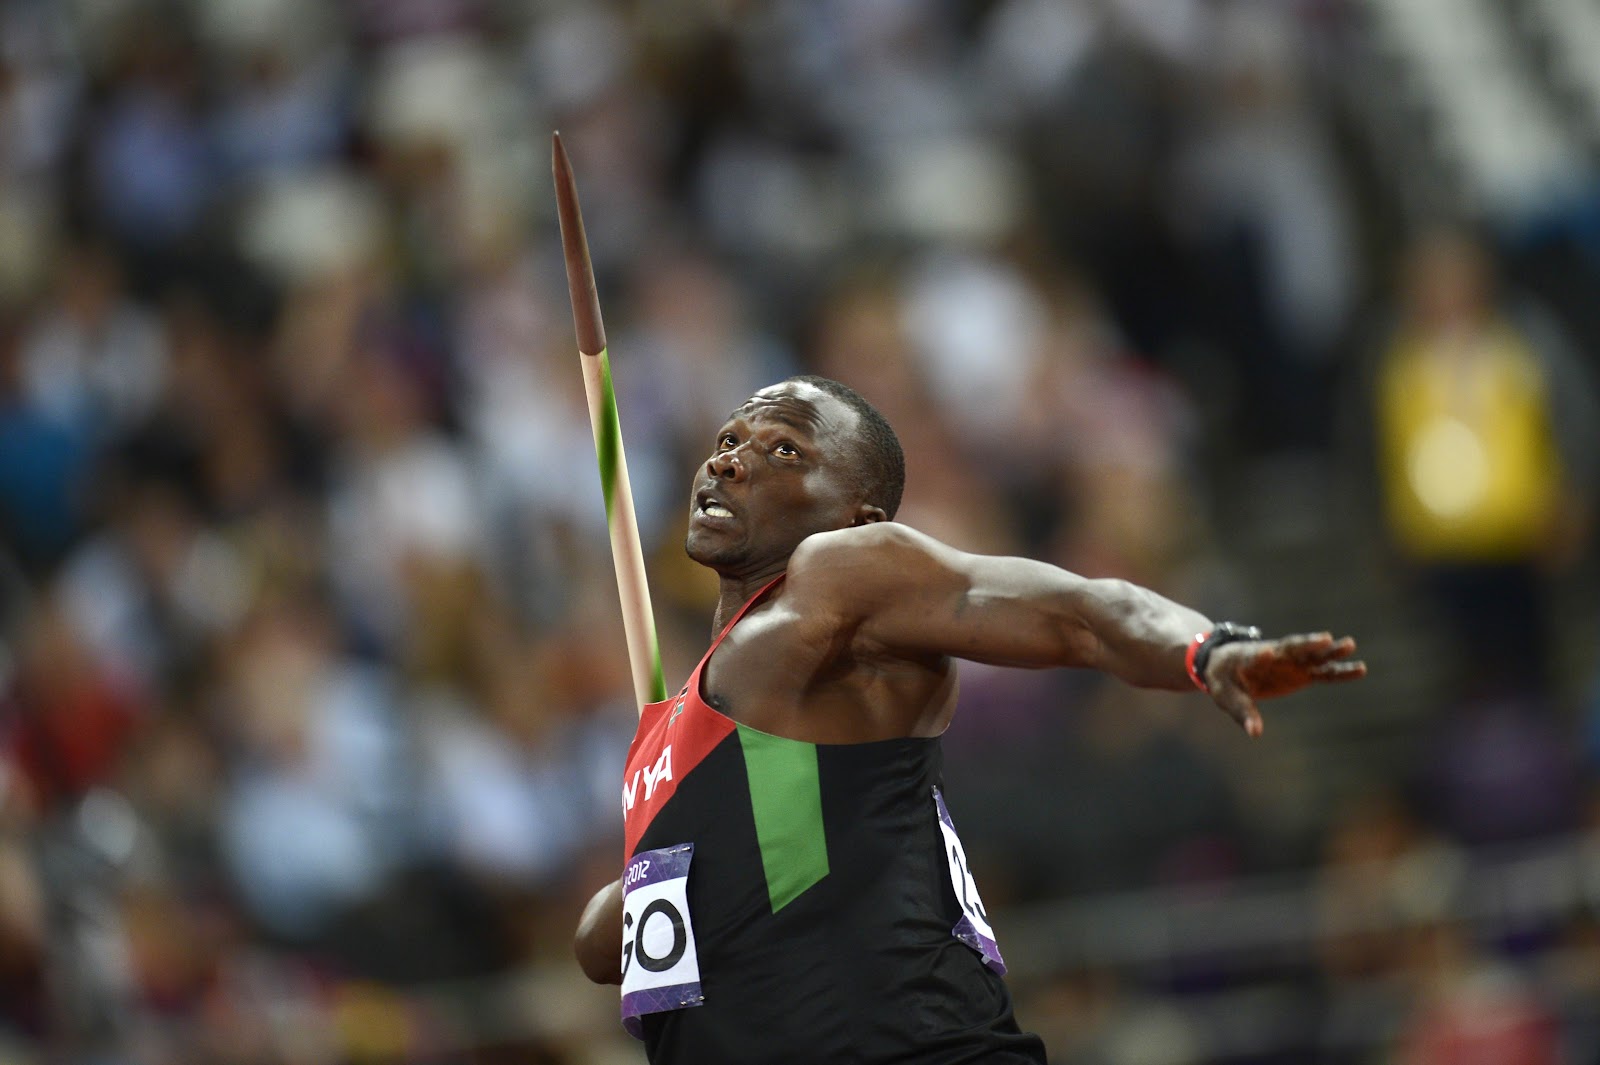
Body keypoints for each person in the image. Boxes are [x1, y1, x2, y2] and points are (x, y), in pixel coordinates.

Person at [575, 375, 1365, 1064]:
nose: (728, 459)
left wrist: (1205, 648)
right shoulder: (674, 726)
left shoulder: (835, 577)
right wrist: (635, 891)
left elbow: (1079, 612)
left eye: (785, 450)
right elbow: (620, 946)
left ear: (860, 515)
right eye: (728, 438)